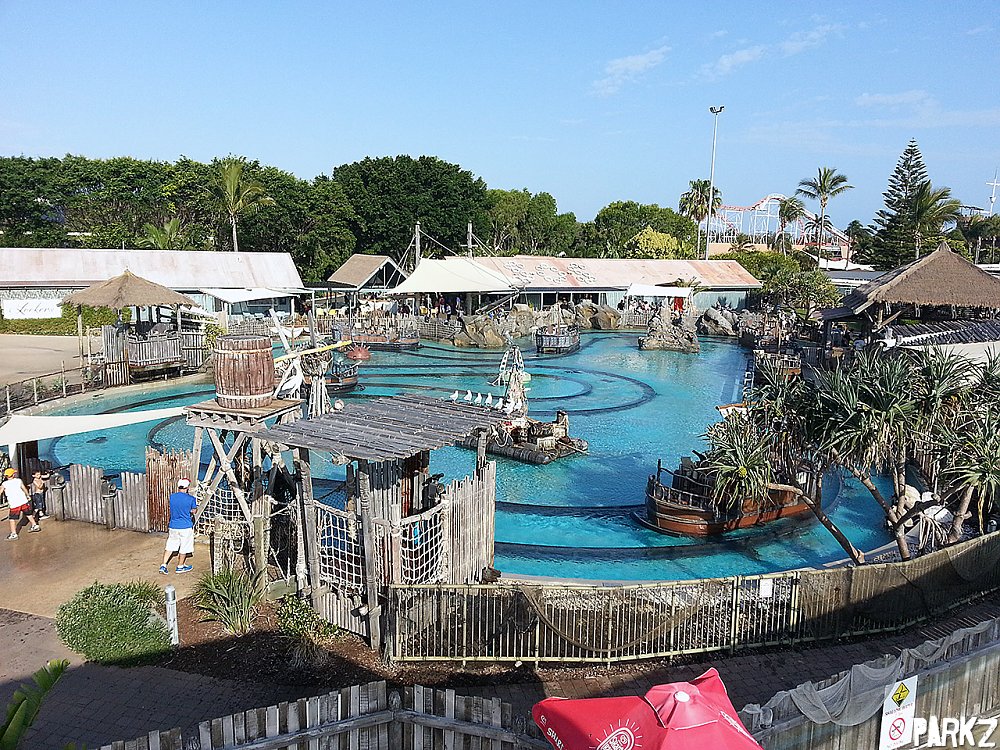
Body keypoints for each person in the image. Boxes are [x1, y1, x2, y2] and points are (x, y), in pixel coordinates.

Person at [160, 478, 198, 574]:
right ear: (187, 487)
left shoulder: (172, 497)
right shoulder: (191, 499)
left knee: (170, 546)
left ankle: (163, 565)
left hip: (173, 525)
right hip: (185, 526)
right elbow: (194, 511)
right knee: (184, 547)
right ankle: (180, 566)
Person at [2, 468, 41, 540]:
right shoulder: (18, 480)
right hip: (23, 501)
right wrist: (28, 496)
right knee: (28, 514)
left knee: (12, 519)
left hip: (14, 504)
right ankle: (35, 525)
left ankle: (14, 534)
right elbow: (24, 488)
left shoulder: (4, 484)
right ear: (13, 475)